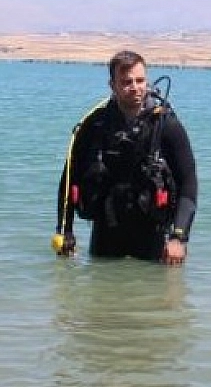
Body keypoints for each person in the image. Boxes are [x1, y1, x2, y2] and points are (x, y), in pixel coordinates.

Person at [55, 51, 197, 264]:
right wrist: (65, 231)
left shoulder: (166, 125)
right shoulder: (95, 125)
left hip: (153, 234)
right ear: (112, 85)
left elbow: (188, 182)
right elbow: (68, 179)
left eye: (140, 80)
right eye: (126, 82)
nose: (135, 87)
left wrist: (178, 237)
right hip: (106, 233)